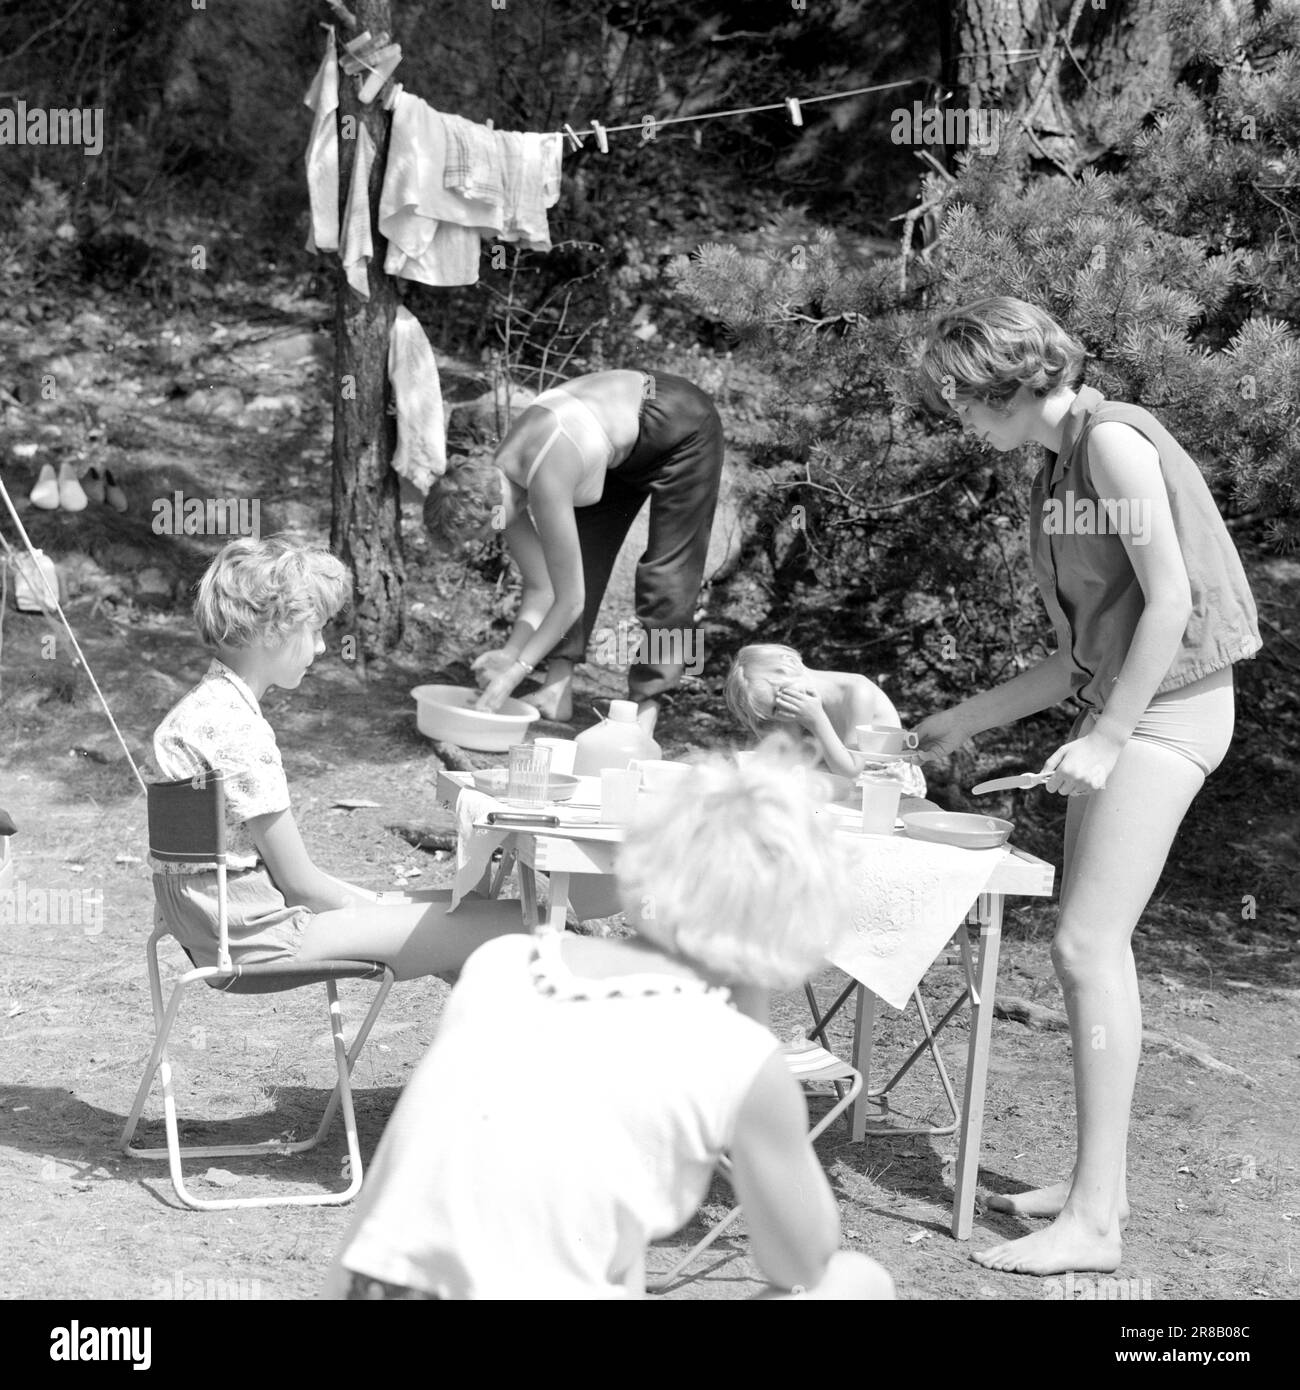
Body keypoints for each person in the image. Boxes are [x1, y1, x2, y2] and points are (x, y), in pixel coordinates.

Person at [912, 296, 1261, 1276]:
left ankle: (1097, 1224)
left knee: (1084, 942)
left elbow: (1173, 601)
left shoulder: (1110, 444)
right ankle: (1086, 1183)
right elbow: (1071, 661)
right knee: (1084, 945)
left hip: (1171, 710)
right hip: (1125, 709)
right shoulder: (1056, 470)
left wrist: (1108, 739)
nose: (960, 418)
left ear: (1012, 380)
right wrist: (958, 720)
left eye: (964, 397)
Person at [322, 745, 895, 1300]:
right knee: (856, 1282)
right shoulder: (741, 1059)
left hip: (371, 1287)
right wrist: (754, 1006)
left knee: (616, 1221)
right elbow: (802, 1262)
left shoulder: (506, 963)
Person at [150, 535, 526, 980]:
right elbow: (299, 884)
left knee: (470, 908)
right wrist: (376, 911)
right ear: (275, 628)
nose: (324, 647)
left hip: (217, 928)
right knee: (516, 922)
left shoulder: (197, 711)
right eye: (315, 630)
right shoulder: (239, 730)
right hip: (259, 939)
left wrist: (382, 908)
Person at [470, 368, 724, 732]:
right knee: (577, 561)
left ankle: (644, 711)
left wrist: (515, 674)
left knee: (669, 574)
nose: (497, 532)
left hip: (682, 424)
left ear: (492, 507)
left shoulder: (544, 479)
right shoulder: (495, 487)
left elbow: (569, 601)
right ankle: (555, 692)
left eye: (489, 528)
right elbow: (543, 586)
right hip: (615, 447)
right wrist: (510, 655)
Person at [725, 643, 927, 799]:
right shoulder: (797, 702)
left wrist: (817, 719)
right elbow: (792, 757)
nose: (785, 707)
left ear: (790, 663)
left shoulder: (857, 693)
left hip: (888, 782)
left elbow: (850, 771)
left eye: (781, 694)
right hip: (845, 776)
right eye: (775, 709)